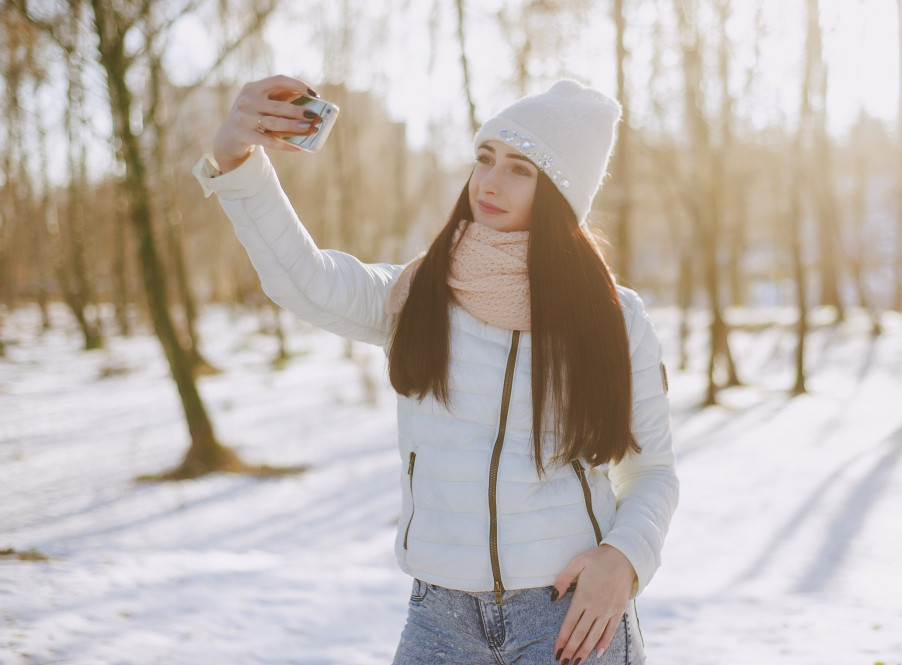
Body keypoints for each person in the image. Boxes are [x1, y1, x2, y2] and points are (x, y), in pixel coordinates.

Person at [193, 75, 679, 665]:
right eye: (485, 158)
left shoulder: (612, 315)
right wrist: (237, 164)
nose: (490, 182)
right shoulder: (418, 292)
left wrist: (623, 559)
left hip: (571, 612)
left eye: (521, 170)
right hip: (439, 618)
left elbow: (651, 469)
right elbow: (306, 280)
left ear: (558, 192)